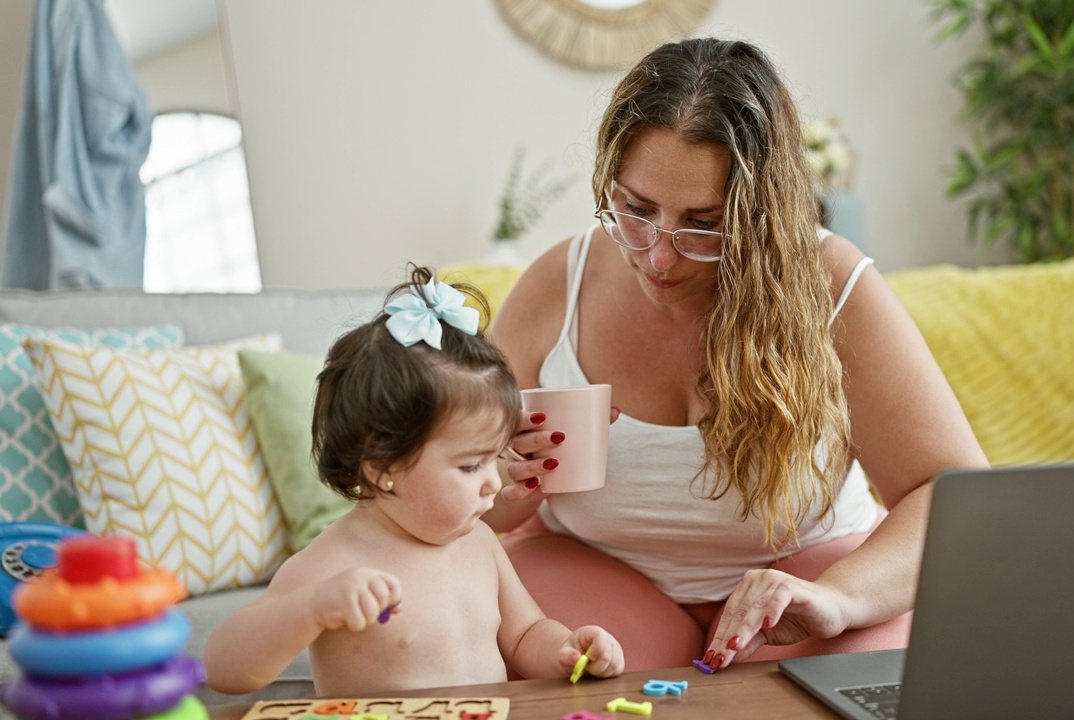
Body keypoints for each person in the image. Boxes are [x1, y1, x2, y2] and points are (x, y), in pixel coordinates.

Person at [484, 37, 989, 672]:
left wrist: (836, 598)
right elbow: (465, 495)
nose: (659, 256)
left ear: (762, 215)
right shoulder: (559, 284)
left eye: (703, 223)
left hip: (805, 571)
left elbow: (953, 493)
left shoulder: (831, 286)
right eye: (637, 210)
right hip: (589, 566)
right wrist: (499, 481)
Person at [204, 266, 624, 696]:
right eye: (469, 466)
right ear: (382, 467)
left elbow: (524, 634)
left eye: (493, 458)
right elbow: (224, 669)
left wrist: (565, 650)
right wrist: (311, 607)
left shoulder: (477, 541)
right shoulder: (336, 561)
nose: (493, 484)